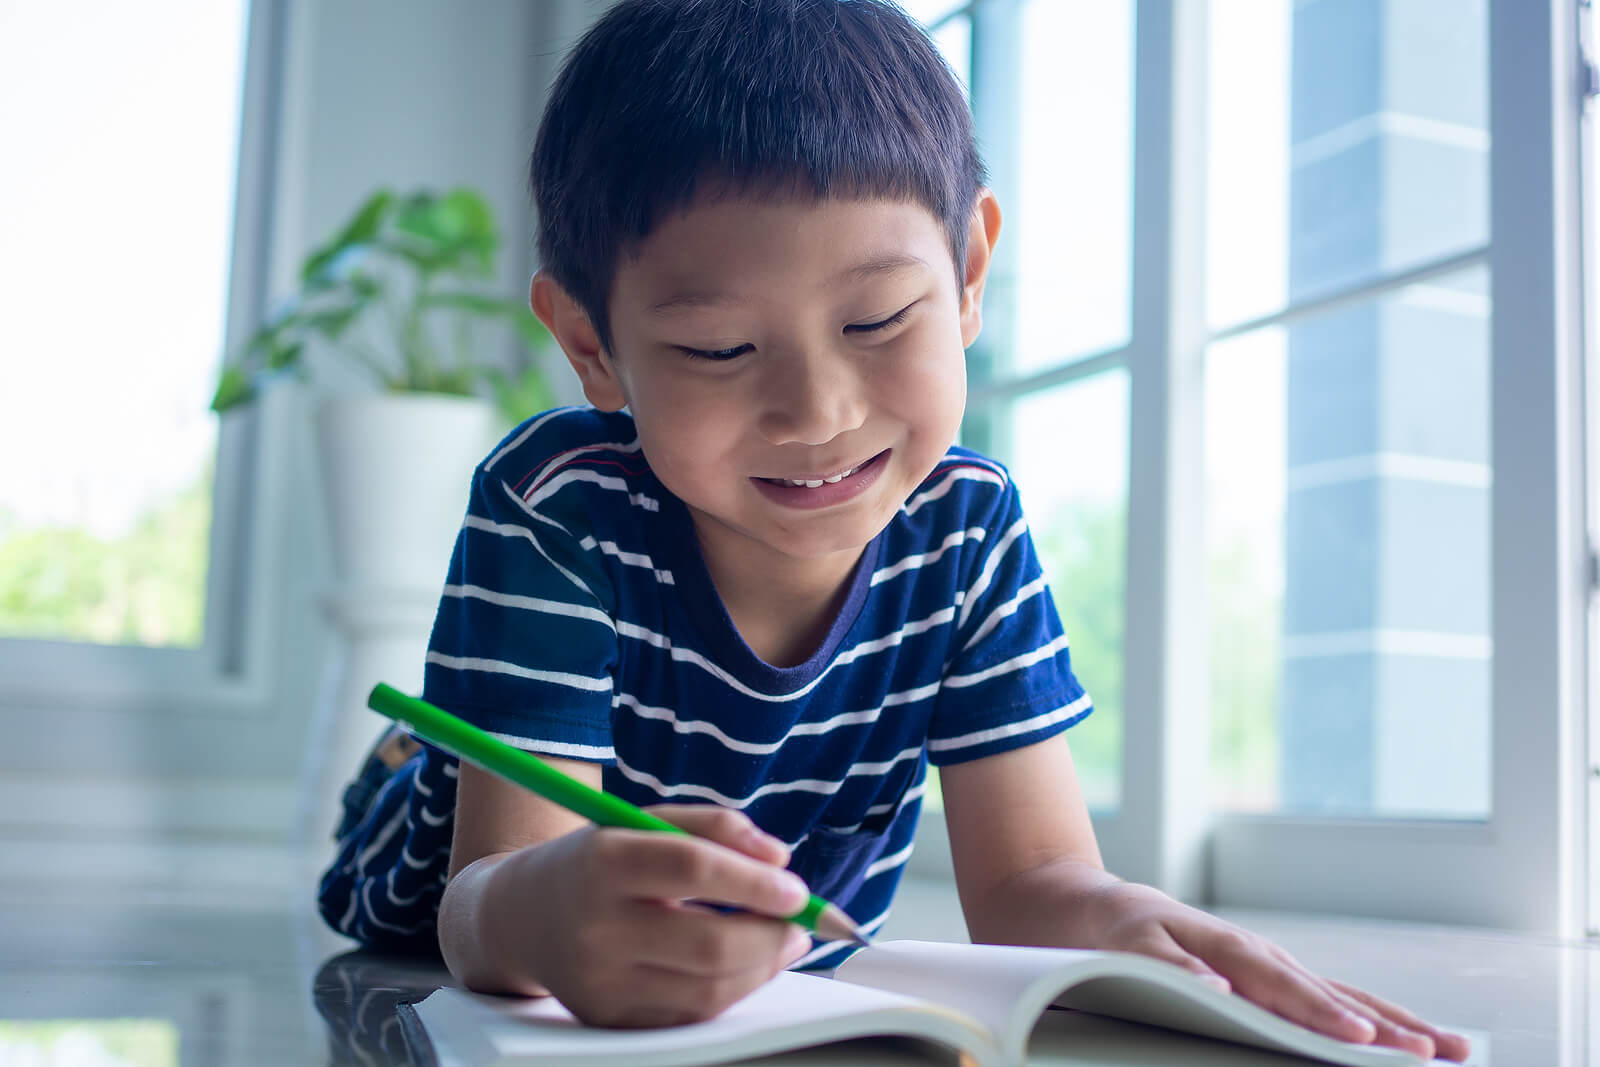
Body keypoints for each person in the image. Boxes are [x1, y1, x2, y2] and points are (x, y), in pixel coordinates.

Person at [317, 0, 1468, 1057]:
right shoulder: (557, 500)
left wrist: (1139, 924)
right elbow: (478, 897)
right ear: (588, 345)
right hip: (431, 842)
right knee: (438, 795)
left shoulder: (968, 524)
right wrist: (546, 906)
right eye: (719, 349)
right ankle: (419, 748)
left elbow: (1030, 880)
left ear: (968, 272)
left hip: (766, 951)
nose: (817, 413)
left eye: (877, 319)